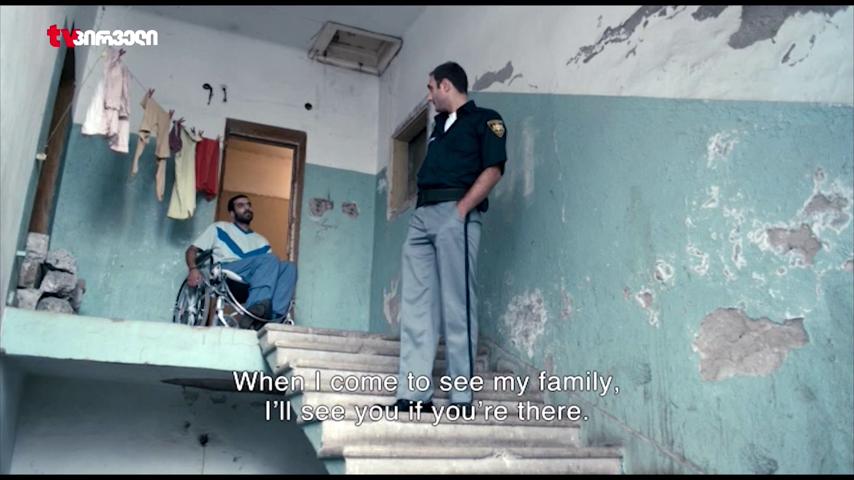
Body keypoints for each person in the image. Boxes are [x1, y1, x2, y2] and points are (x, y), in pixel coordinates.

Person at [385, 62, 507, 416]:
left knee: (457, 305)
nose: (428, 96)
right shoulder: (439, 126)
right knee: (416, 306)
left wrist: (461, 211)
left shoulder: (486, 120)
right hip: (422, 217)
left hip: (456, 214)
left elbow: (493, 169)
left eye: (430, 88)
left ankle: (461, 397)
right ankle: (414, 395)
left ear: (446, 86)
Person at [185, 194, 297, 329]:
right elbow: (191, 250)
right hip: (228, 271)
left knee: (289, 267)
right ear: (232, 213)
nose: (247, 208)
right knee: (270, 259)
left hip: (253, 280)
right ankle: (255, 310)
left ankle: (275, 318)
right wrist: (193, 269)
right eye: (241, 205)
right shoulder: (219, 228)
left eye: (249, 205)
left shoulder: (262, 241)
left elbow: (269, 272)